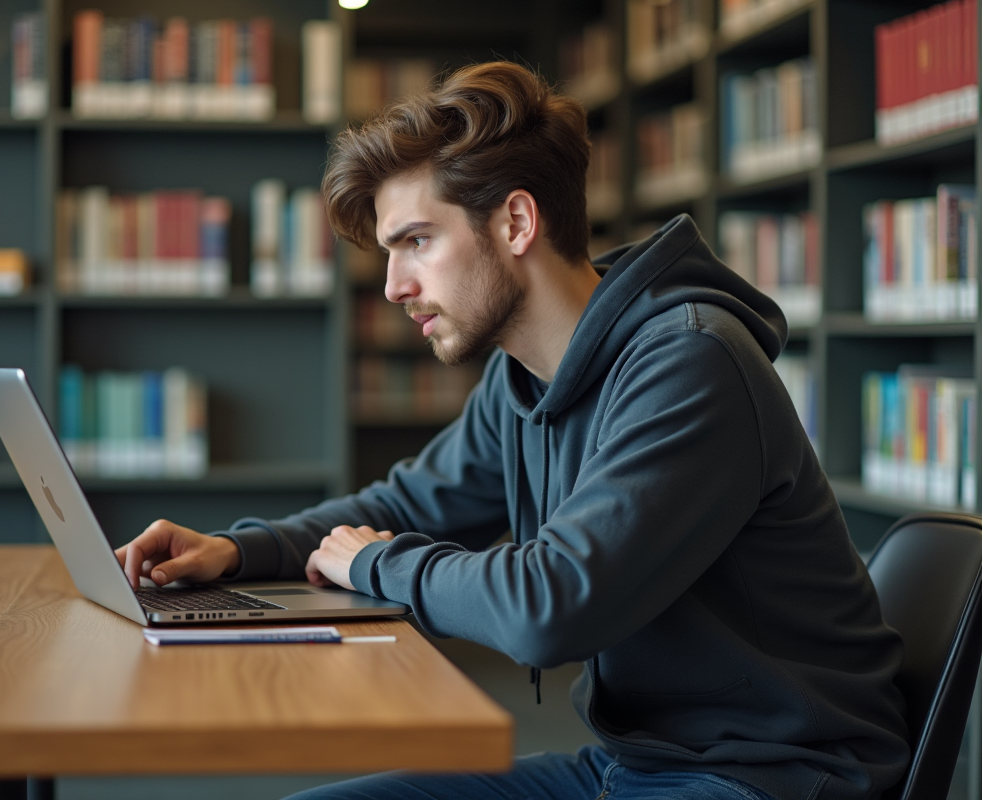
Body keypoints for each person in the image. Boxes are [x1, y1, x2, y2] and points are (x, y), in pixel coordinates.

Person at [115, 62, 909, 800]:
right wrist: (238, 552)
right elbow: (408, 505)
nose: (393, 286)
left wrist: (378, 563)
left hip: (773, 776)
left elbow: (552, 607)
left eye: (416, 242)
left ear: (516, 222)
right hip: (635, 763)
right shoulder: (524, 375)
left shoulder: (691, 363)